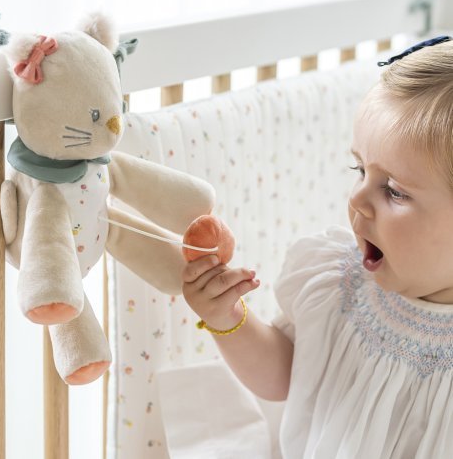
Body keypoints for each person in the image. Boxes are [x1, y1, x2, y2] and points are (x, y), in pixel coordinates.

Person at [182, 36, 453, 458]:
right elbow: (288, 376)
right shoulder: (344, 287)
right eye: (359, 170)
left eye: (394, 191)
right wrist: (226, 318)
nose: (357, 199)